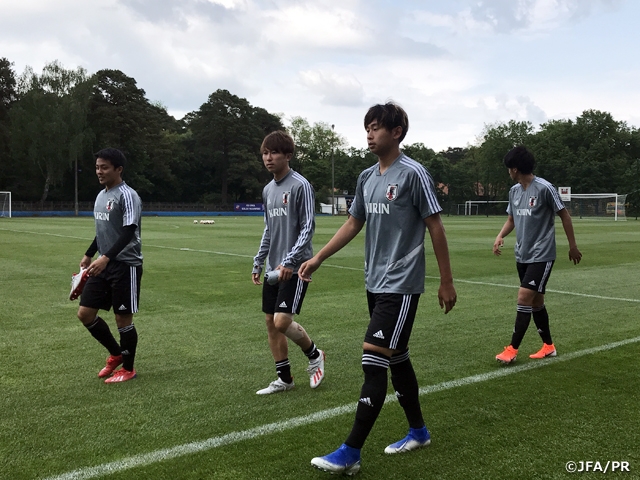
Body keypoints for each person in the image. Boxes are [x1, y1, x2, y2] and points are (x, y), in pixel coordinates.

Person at [298, 103, 457, 475]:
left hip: (402, 284)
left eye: (376, 128)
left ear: (397, 132)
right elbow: (354, 222)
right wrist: (318, 257)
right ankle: (418, 431)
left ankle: (350, 451)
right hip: (374, 281)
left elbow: (435, 226)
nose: (369, 134)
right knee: (396, 356)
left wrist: (446, 281)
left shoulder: (414, 174)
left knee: (373, 357)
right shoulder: (367, 177)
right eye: (367, 128)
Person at [252, 130, 325, 395]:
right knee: (271, 323)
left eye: (274, 153)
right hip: (274, 267)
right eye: (265, 153)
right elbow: (269, 229)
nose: (268, 158)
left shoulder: (300, 186)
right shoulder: (268, 190)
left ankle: (315, 354)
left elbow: (308, 228)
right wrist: (259, 260)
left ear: (288, 156)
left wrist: (289, 261)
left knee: (282, 322)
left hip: (296, 268)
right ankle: (284, 379)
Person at [493, 145, 582, 364]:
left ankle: (512, 349)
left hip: (542, 255)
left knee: (524, 297)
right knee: (536, 302)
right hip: (521, 254)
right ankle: (549, 346)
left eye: (509, 168)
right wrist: (500, 235)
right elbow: (511, 219)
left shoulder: (544, 188)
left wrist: (572, 246)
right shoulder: (514, 191)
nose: (508, 172)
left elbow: (565, 215)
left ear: (515, 168)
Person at [76, 148, 143, 383]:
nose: (99, 171)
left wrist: (106, 258)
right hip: (103, 263)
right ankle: (116, 354)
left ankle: (129, 369)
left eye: (104, 167)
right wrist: (89, 254)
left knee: (122, 319)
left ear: (118, 169)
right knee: (85, 314)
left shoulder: (128, 195)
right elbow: (102, 231)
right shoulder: (101, 195)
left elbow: (128, 231)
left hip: (125, 265)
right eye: (97, 167)